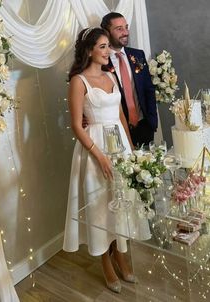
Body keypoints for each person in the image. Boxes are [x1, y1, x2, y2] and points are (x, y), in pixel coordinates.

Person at [63, 27, 151, 294]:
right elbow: (77, 125)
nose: (108, 51)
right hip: (95, 149)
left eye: (107, 46)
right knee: (101, 204)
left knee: (121, 201)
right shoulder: (79, 81)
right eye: (102, 46)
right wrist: (99, 156)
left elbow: (121, 115)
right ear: (89, 50)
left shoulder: (111, 75)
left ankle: (120, 254)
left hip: (120, 146)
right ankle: (105, 261)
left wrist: (131, 148)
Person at [101, 12, 158, 147]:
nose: (125, 32)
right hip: (118, 129)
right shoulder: (102, 62)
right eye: (119, 29)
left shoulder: (138, 54)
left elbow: (148, 89)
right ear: (106, 32)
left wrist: (152, 121)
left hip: (145, 126)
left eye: (126, 27)